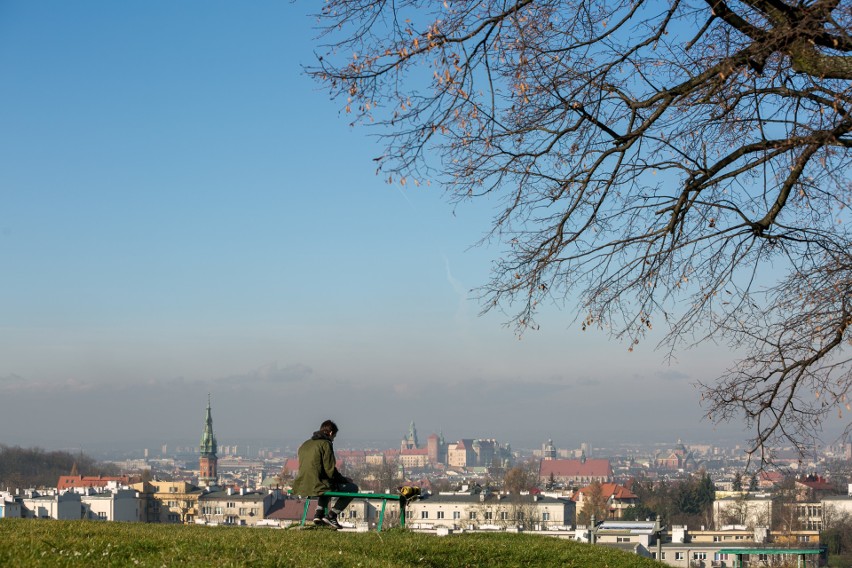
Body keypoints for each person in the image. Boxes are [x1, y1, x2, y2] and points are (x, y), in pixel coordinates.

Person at [292, 419, 359, 529]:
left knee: (326, 485)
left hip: (302, 484)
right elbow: (330, 470)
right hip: (318, 485)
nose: (333, 440)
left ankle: (318, 514)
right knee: (352, 488)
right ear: (331, 433)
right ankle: (332, 515)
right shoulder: (326, 444)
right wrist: (344, 480)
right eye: (334, 437)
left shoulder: (306, 443)